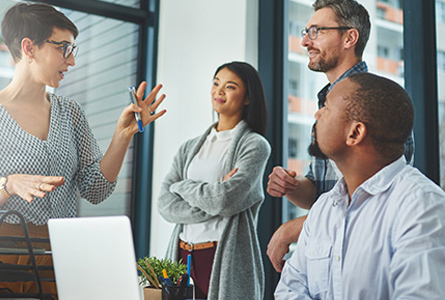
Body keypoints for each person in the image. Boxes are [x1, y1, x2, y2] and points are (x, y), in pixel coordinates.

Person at [0, 2, 165, 296]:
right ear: (29, 48)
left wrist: (122, 135)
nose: (72, 61)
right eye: (63, 48)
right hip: (7, 259)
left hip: (66, 257)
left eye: (73, 49)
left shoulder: (71, 113)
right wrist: (9, 184)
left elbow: (96, 189)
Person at [266, 0, 414, 273]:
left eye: (316, 32)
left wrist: (297, 227)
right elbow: (319, 192)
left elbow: (374, 202)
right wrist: (292, 186)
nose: (305, 42)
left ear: (350, 37)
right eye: (305, 32)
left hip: (363, 261)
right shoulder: (325, 107)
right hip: (327, 256)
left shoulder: (379, 104)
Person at [275, 72, 445, 299]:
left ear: (355, 133)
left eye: (325, 108)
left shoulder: (422, 206)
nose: (317, 114)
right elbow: (289, 289)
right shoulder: (324, 207)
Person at [158, 61, 270, 300]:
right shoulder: (189, 148)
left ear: (248, 98)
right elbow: (165, 205)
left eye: (230, 87)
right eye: (216, 83)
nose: (218, 91)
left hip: (220, 254)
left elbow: (224, 200)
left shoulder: (254, 146)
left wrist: (182, 187)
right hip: (182, 255)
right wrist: (213, 196)